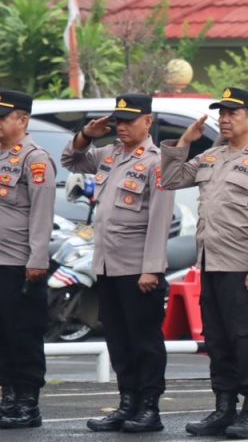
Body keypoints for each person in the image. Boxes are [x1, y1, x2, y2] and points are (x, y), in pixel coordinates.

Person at [161, 88, 248, 439]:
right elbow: (171, 179)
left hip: (244, 267)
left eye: (233, 113)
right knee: (218, 341)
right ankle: (224, 408)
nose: (225, 118)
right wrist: (185, 141)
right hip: (211, 265)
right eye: (222, 113)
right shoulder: (211, 157)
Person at [62, 95, 175, 433]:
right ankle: (128, 403)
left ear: (148, 122)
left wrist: (152, 268)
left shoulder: (158, 161)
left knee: (144, 341)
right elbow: (71, 159)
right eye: (118, 121)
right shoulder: (109, 154)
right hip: (108, 265)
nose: (121, 127)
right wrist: (87, 133)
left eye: (129, 120)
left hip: (138, 267)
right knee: (118, 339)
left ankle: (149, 408)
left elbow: (159, 219)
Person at [0, 90, 55, 430]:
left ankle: (27, 402)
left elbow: (42, 214)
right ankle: (8, 397)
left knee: (23, 334)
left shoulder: (34, 159)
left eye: (2, 117)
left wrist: (37, 259)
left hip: (20, 263)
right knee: (2, 335)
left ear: (22, 120)